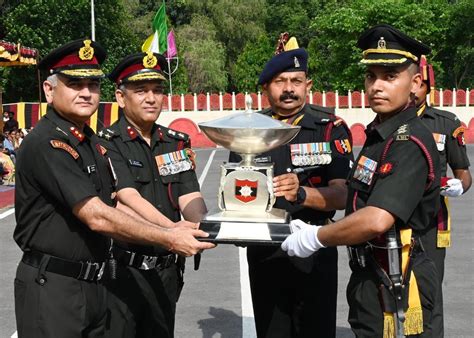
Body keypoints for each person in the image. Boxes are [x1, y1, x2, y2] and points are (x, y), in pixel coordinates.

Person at [13, 39, 214, 338]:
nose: (86, 92)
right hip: (54, 285)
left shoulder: (90, 143)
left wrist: (194, 227)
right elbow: (97, 215)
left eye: (92, 85)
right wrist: (170, 235)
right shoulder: (48, 143)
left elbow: (116, 202)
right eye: (74, 83)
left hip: (94, 283)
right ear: (49, 90)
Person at [281, 24, 441, 337]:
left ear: (415, 82)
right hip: (372, 275)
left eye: (390, 76)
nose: (377, 86)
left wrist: (317, 236)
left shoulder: (408, 142)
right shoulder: (381, 134)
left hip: (398, 281)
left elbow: (376, 219)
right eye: (371, 76)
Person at [230, 34, 354, 338]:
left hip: (315, 244)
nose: (288, 89)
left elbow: (342, 194)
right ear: (265, 88)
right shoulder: (248, 131)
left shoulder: (329, 129)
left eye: (296, 80)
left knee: (316, 330)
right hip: (265, 250)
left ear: (308, 85)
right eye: (280, 81)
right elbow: (234, 191)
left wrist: (302, 193)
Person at [98, 52, 207, 338]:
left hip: (167, 271)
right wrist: (172, 230)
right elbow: (125, 197)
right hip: (124, 271)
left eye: (158, 91)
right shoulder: (107, 144)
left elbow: (189, 195)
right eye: (141, 91)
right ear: (121, 98)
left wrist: (205, 226)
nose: (151, 98)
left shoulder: (175, 142)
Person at [415, 55, 472, 337]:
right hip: (386, 218)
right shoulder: (381, 122)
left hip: (429, 221)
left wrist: (460, 185)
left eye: (419, 83)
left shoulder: (445, 123)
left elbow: (463, 171)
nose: (413, 89)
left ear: (428, 87)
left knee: (429, 292)